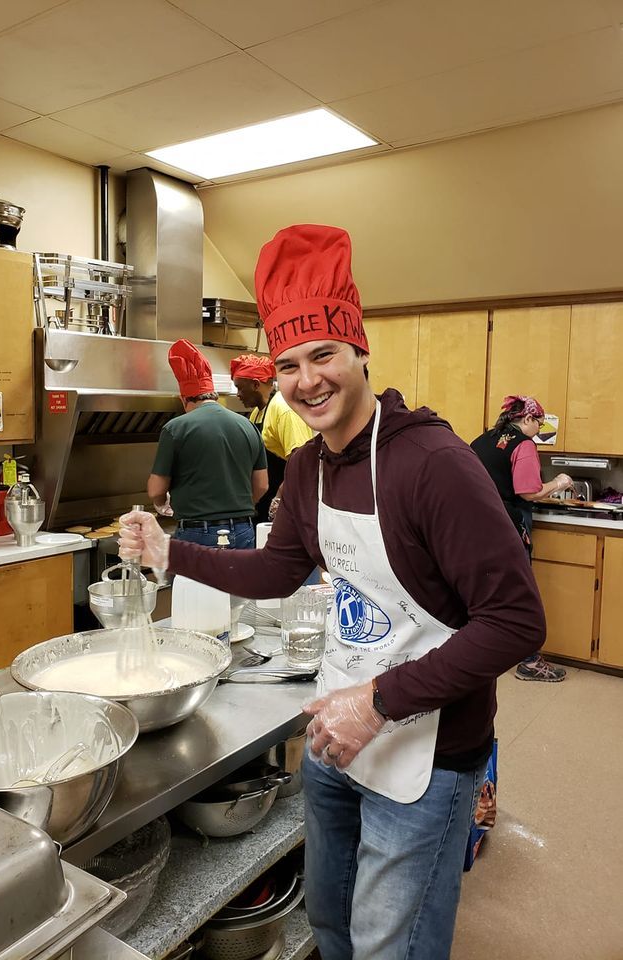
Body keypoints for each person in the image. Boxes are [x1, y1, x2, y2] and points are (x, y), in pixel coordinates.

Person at [120, 225, 545, 960]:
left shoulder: (433, 463)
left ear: (359, 353)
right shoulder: (310, 468)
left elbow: (515, 622)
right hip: (333, 735)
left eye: (323, 356)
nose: (306, 380)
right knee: (330, 926)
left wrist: (376, 703)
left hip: (428, 749)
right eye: (288, 364)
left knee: (391, 947)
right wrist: (170, 553)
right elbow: (276, 571)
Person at [471, 396, 574, 682]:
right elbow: (529, 491)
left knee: (481, 590)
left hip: (473, 526)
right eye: (539, 424)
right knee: (520, 592)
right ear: (527, 420)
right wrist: (559, 483)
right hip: (507, 526)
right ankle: (529, 662)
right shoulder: (524, 445)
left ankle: (478, 653)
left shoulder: (484, 439)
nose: (539, 430)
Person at [147, 338, 268, 549]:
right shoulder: (248, 426)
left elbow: (156, 489)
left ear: (184, 398)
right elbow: (262, 485)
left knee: (193, 584)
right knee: (239, 583)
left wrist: (161, 505)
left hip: (196, 533)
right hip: (243, 531)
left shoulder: (175, 428)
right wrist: (238, 509)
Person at [230, 353, 312, 523]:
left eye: (240, 388)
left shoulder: (283, 409)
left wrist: (279, 498)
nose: (238, 395)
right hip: (264, 501)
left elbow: (303, 462)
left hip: (284, 502)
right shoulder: (257, 413)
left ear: (255, 384)